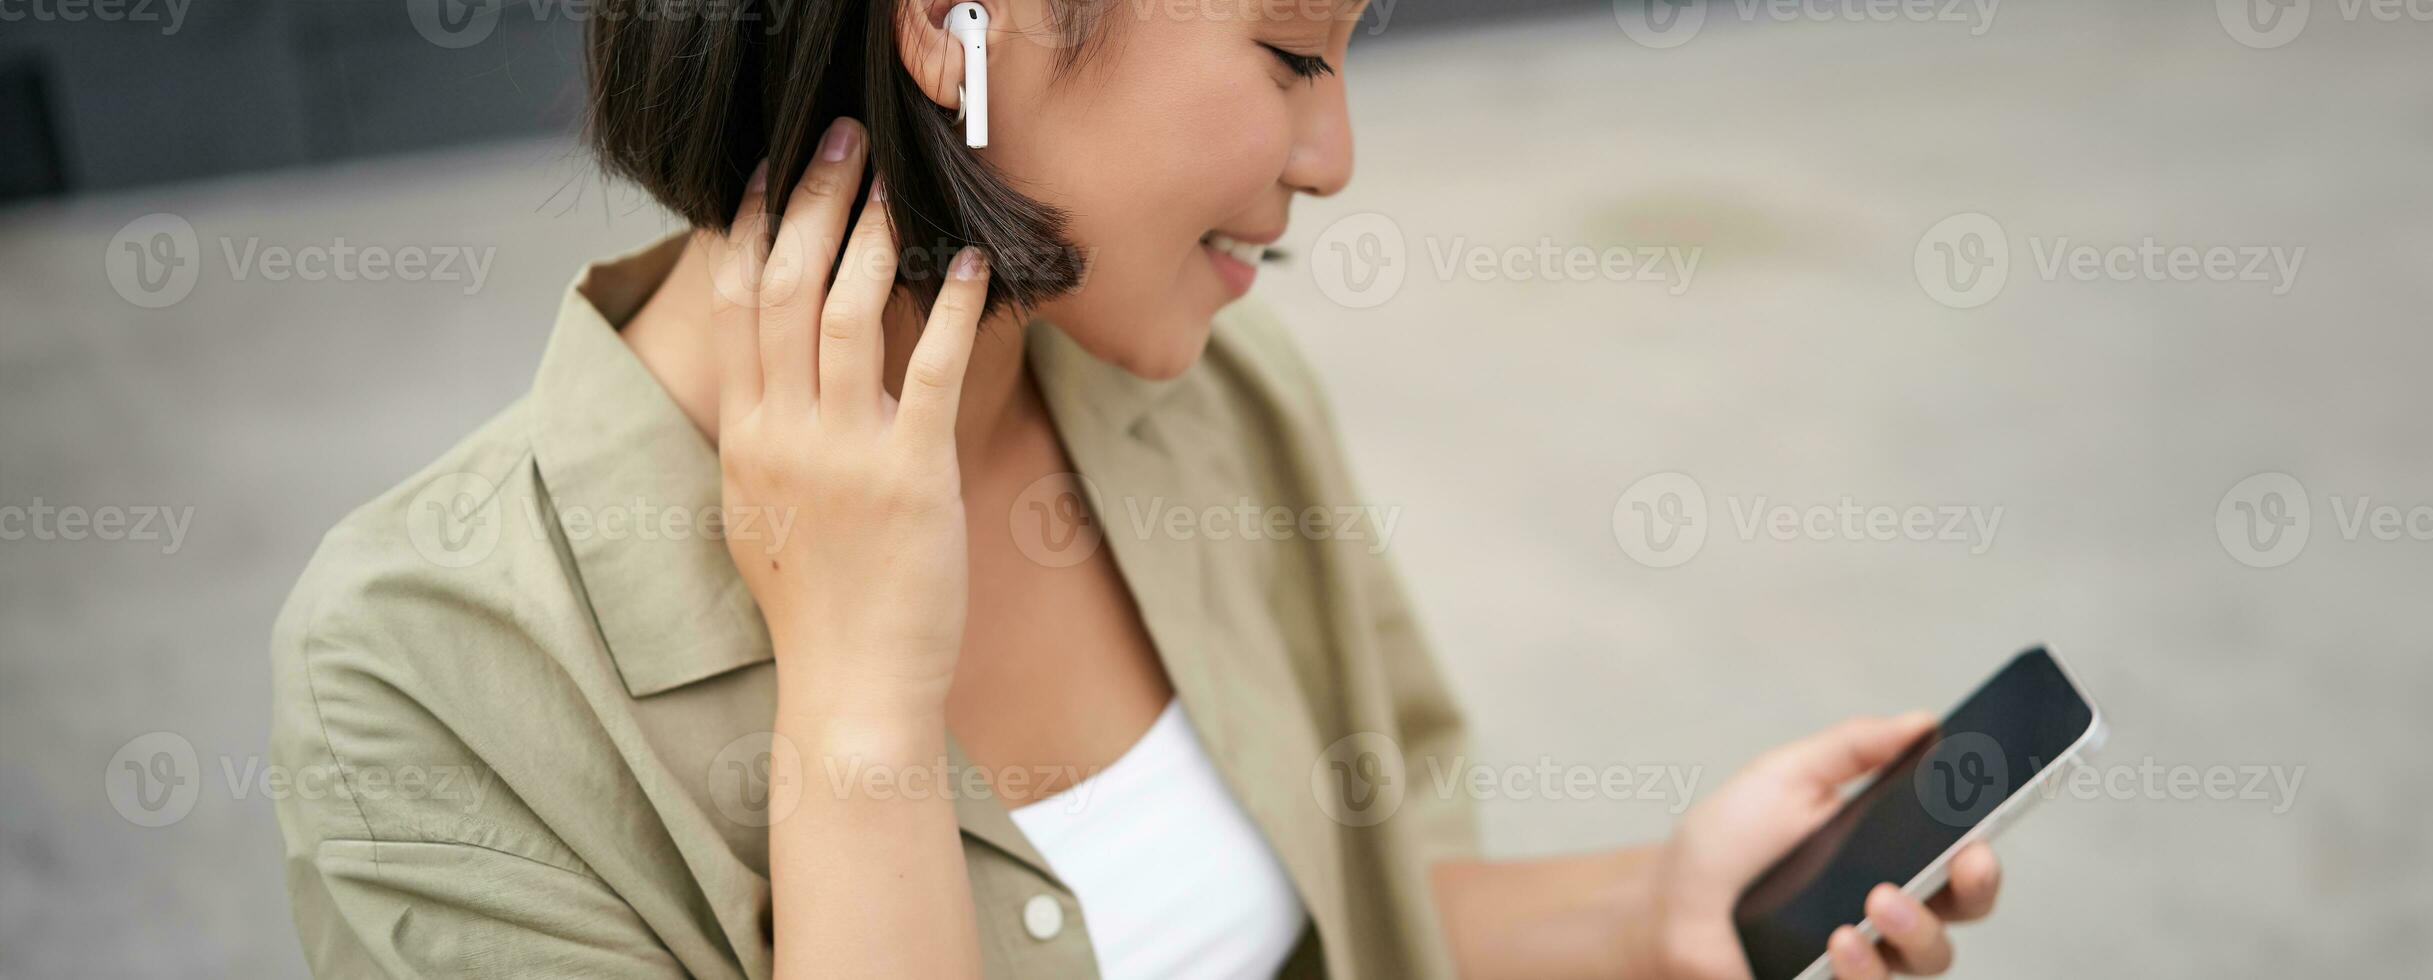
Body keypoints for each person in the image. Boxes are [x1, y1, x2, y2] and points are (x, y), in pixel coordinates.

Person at [269, 0, 2003, 975]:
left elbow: (1341, 928)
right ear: (962, 28)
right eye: (1291, 57)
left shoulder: (1208, 396)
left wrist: (1656, 911)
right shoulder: (425, 677)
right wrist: (860, 722)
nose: (1332, 160)